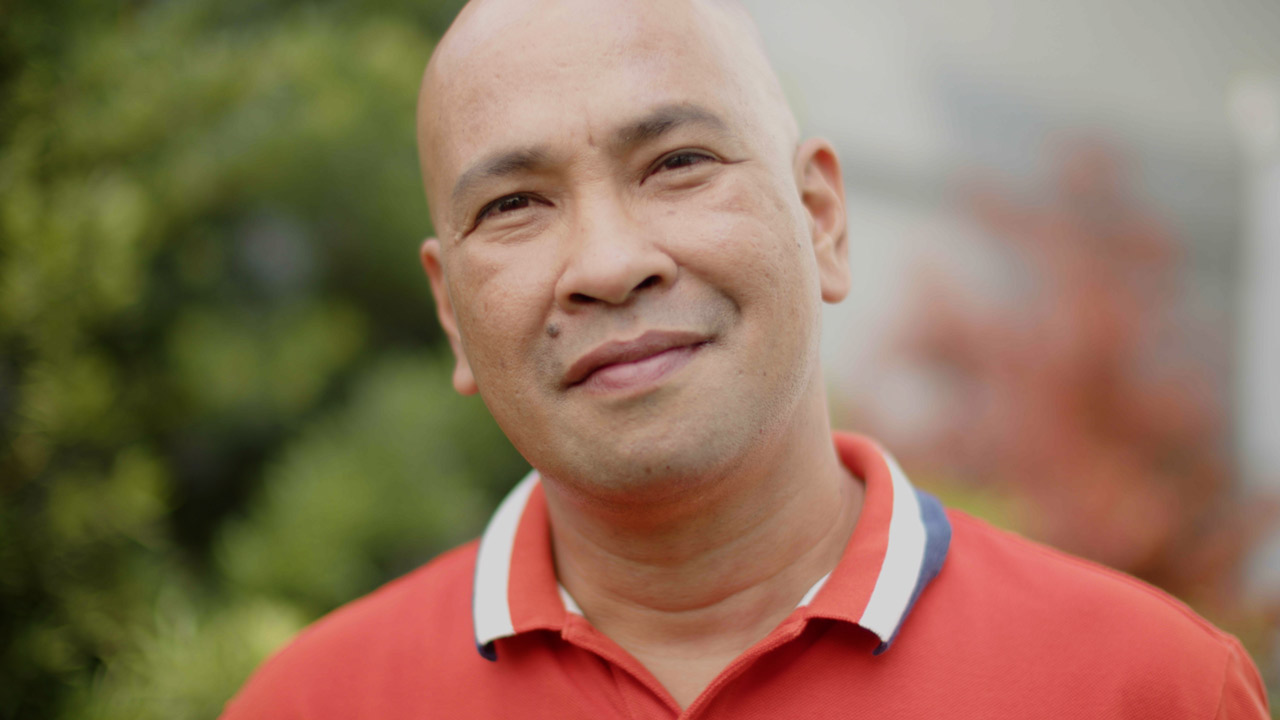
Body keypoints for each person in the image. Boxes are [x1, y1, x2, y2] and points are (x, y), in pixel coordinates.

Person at [220, 0, 1271, 717]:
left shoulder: (1145, 688)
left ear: (820, 220)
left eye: (677, 162)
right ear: (452, 313)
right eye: (513, 205)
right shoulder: (313, 704)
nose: (608, 263)